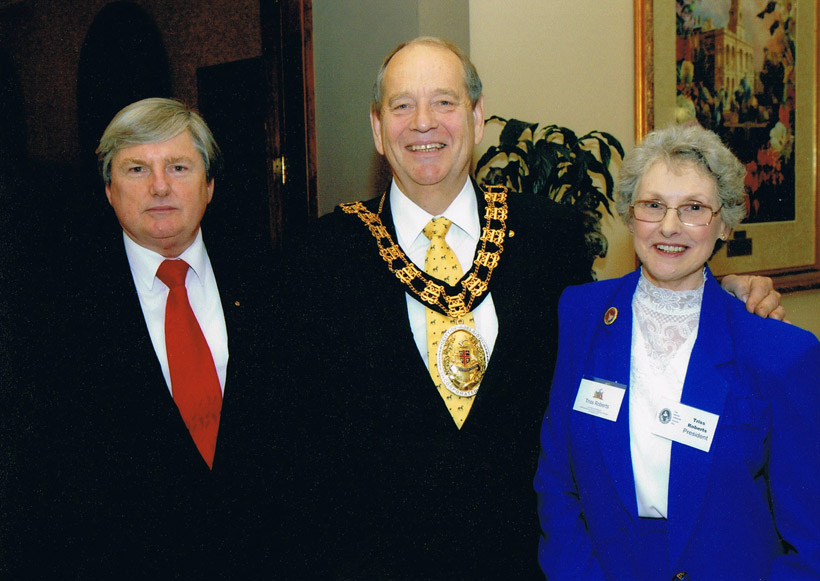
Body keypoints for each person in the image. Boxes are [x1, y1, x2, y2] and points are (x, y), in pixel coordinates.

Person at [286, 38, 786, 578]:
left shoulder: (549, 236)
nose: (423, 123)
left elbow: (623, 329)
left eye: (445, 102)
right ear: (378, 129)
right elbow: (295, 458)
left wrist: (723, 295)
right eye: (402, 105)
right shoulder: (316, 259)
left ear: (477, 118)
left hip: (532, 564)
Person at [7, 98, 285, 577]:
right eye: (136, 169)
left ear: (210, 184)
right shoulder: (51, 311)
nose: (160, 186)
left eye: (178, 166)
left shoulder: (273, 282)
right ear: (110, 190)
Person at [534, 124, 820, 579]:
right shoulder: (582, 315)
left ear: (724, 221)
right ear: (630, 216)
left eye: (693, 208)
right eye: (653, 205)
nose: (669, 227)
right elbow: (557, 480)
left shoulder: (780, 352)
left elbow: (811, 543)